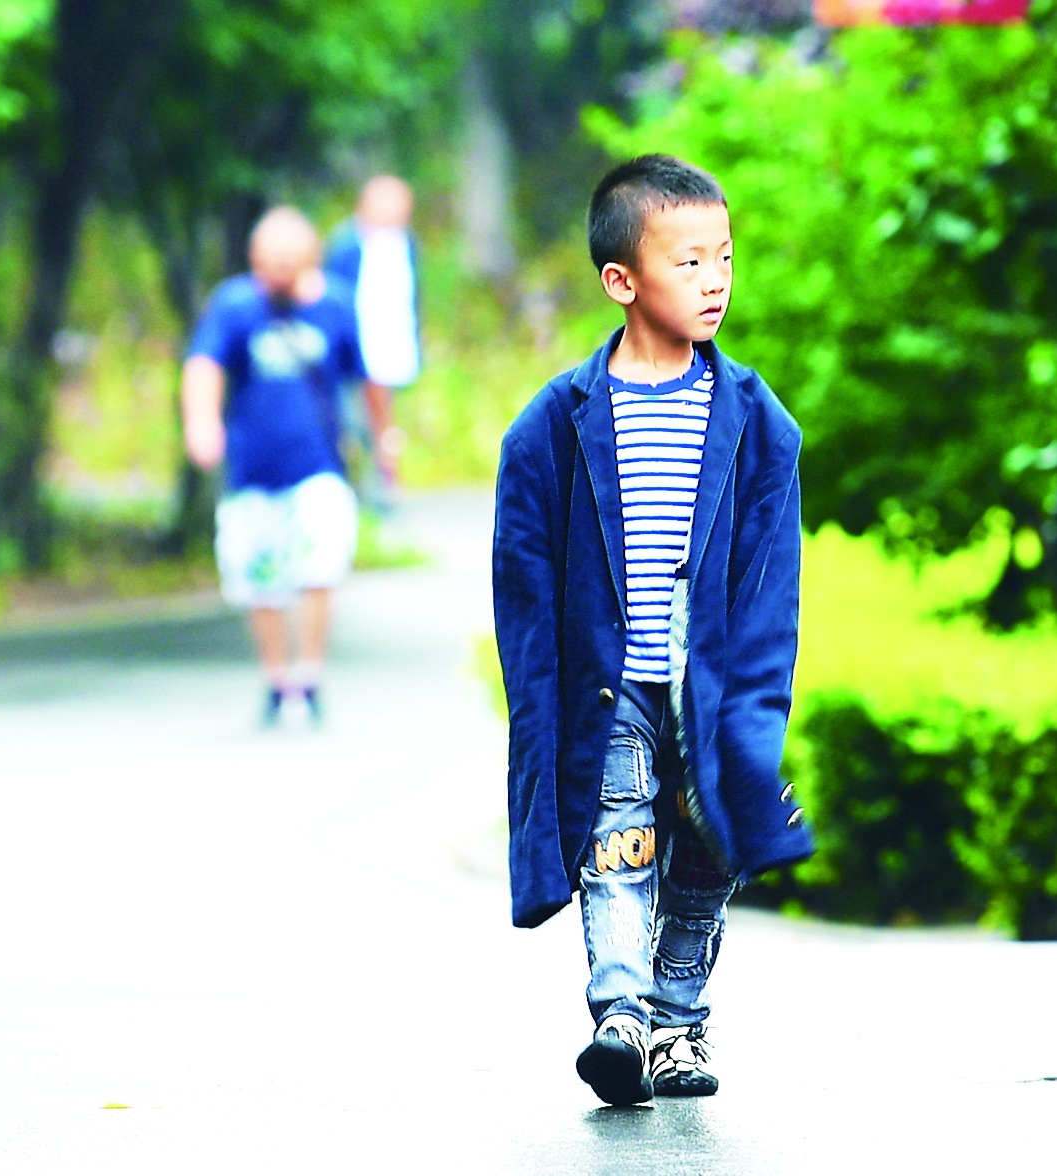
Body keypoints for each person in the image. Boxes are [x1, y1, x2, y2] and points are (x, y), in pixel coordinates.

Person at [491, 155, 814, 1106]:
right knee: (617, 844)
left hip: (710, 690)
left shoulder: (760, 427)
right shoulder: (551, 427)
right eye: (688, 263)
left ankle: (679, 1022)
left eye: (724, 258)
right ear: (621, 282)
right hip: (612, 690)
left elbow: (770, 591)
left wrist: (758, 709)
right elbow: (525, 589)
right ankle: (622, 1016)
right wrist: (539, 717)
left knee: (709, 854)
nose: (714, 281)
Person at [182, 206, 367, 726]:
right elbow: (203, 365)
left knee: (320, 565)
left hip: (319, 465)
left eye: (290, 260)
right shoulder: (235, 305)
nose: (280, 270)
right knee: (259, 576)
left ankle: (308, 674)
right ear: (254, 259)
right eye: (270, 261)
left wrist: (383, 439)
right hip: (252, 469)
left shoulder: (334, 304)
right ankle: (275, 675)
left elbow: (361, 378)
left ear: (310, 259)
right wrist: (201, 422)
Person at [325, 175, 420, 504]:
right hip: (355, 349)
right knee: (353, 420)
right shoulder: (346, 244)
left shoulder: (405, 242)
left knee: (383, 420)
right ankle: (362, 486)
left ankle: (383, 484)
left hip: (392, 348)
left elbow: (411, 298)